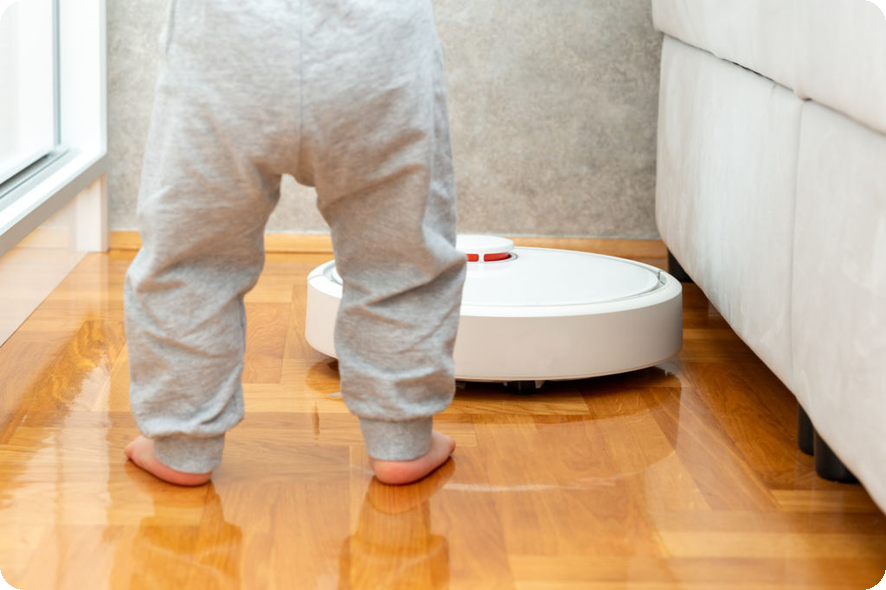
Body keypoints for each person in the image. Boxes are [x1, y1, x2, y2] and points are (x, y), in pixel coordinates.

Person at [123, 0, 465, 486]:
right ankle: (401, 440)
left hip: (226, 48)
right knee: (399, 258)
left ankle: (182, 445)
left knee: (192, 259)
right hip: (377, 54)